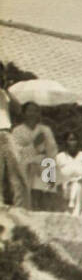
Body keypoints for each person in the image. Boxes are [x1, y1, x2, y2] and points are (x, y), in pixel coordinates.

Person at [11, 102, 58, 211]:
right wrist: (34, 145)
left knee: (44, 201)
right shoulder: (17, 131)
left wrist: (51, 172)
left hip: (43, 166)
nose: (32, 113)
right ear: (24, 113)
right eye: (29, 110)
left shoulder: (45, 130)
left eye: (35, 110)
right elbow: (16, 152)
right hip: (25, 168)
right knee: (26, 202)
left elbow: (52, 151)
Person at [54, 131, 82, 218]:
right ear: (66, 142)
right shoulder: (60, 157)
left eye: (75, 140)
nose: (73, 143)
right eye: (70, 140)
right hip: (66, 192)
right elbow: (53, 176)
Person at [0, 70, 26, 207]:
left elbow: (18, 109)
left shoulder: (4, 93)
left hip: (6, 131)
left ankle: (19, 204)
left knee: (15, 169)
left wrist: (6, 89)